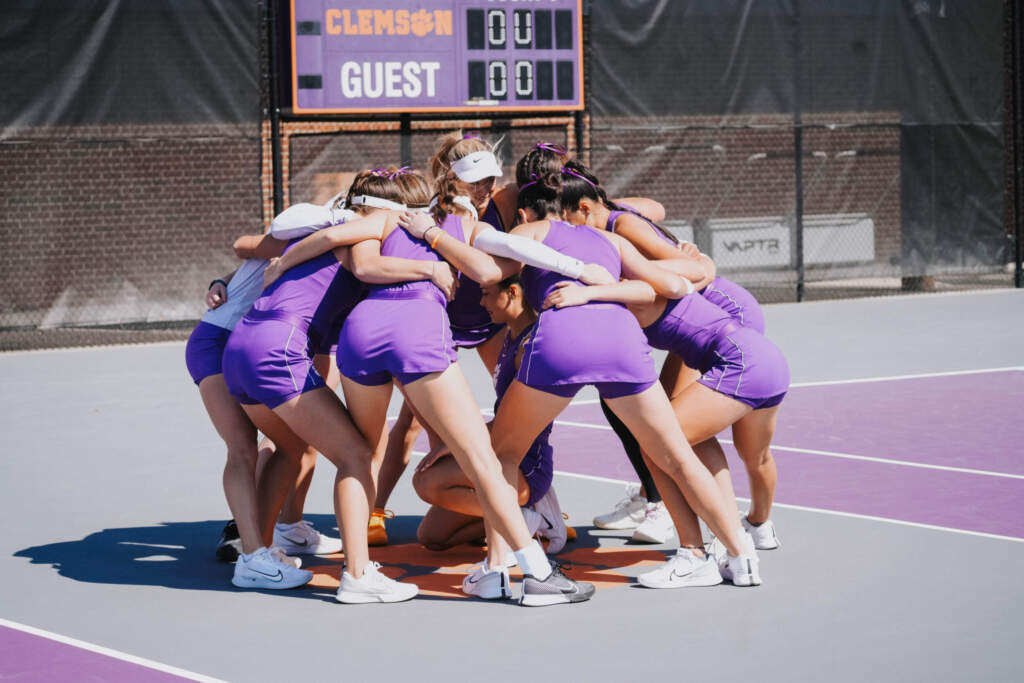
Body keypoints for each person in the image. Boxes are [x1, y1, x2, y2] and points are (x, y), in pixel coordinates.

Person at [403, 169, 762, 596]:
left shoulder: (529, 231)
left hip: (563, 338)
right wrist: (697, 263)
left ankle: (497, 569)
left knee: (502, 454)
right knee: (677, 455)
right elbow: (658, 289)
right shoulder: (611, 240)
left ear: (524, 211)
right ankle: (741, 557)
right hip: (621, 339)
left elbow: (486, 268)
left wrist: (433, 233)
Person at [332, 167, 596, 607]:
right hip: (415, 326)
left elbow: (349, 256)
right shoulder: (461, 225)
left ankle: (356, 574)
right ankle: (536, 574)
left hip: (360, 332)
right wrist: (579, 269)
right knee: (484, 462)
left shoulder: (379, 220)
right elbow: (503, 256)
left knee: (357, 455)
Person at [221, 168, 452, 600]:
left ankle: (259, 555)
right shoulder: (371, 223)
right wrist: (430, 266)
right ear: (396, 206)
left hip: (245, 345)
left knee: (290, 448)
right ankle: (359, 576)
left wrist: (283, 262)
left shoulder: (338, 226)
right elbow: (356, 257)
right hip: (280, 345)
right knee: (356, 454)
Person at [560, 160, 780, 549]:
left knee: (672, 436)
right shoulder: (618, 220)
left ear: (584, 208)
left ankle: (692, 520)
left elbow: (686, 273)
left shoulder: (619, 231)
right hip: (709, 333)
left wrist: (698, 264)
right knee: (676, 426)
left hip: (729, 318)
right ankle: (736, 526)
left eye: (568, 221)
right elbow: (655, 209)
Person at [186, 201, 346, 587]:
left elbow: (250, 258)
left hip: (265, 338)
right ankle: (251, 551)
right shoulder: (313, 232)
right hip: (221, 338)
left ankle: (272, 535)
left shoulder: (331, 242)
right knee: (242, 445)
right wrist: (222, 282)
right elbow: (247, 246)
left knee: (293, 441)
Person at [412, 273, 567, 556]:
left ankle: (531, 515)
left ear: (512, 292)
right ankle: (529, 520)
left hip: (525, 465)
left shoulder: (530, 345)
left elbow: (518, 420)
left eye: (485, 293)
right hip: (497, 456)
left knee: (427, 481)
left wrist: (455, 444)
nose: (481, 302)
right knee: (432, 536)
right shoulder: (510, 336)